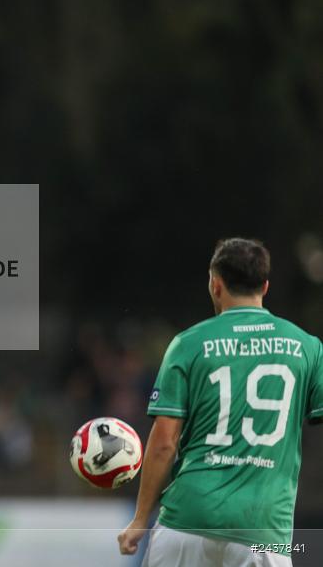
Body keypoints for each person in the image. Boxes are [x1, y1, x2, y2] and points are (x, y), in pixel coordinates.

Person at [118, 238, 323, 566]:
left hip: (187, 521)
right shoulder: (307, 347)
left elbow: (163, 444)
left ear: (215, 284)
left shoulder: (188, 343)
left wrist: (140, 519)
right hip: (262, 530)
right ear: (265, 286)